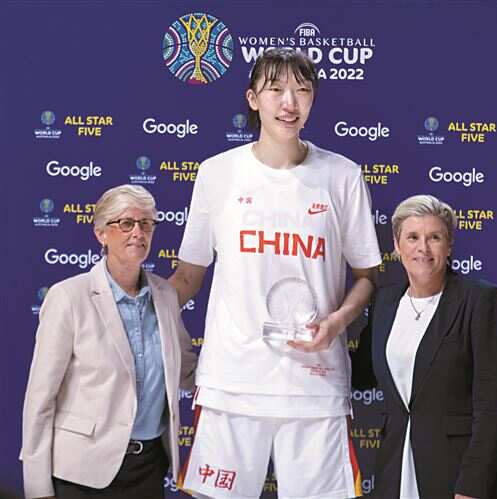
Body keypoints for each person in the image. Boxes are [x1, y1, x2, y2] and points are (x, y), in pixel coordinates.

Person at [169, 48, 381, 499]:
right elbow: (187, 277)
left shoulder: (342, 175)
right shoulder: (217, 173)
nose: (289, 103)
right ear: (253, 98)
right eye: (276, 89)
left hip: (315, 384)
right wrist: (134, 308)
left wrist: (336, 322)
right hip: (231, 383)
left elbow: (367, 276)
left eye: (302, 91)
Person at [21, 185, 197, 499]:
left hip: (149, 468)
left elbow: (188, 372)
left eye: (146, 224)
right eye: (126, 223)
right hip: (81, 471)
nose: (138, 232)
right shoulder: (69, 297)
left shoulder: (166, 296)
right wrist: (37, 489)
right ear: (101, 233)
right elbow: (40, 398)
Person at [352, 195, 497, 499]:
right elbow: (360, 374)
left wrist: (472, 486)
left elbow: (493, 405)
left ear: (449, 246)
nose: (423, 248)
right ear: (397, 246)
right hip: (395, 470)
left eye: (434, 238)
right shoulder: (385, 302)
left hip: (457, 475)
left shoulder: (481, 301)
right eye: (412, 237)